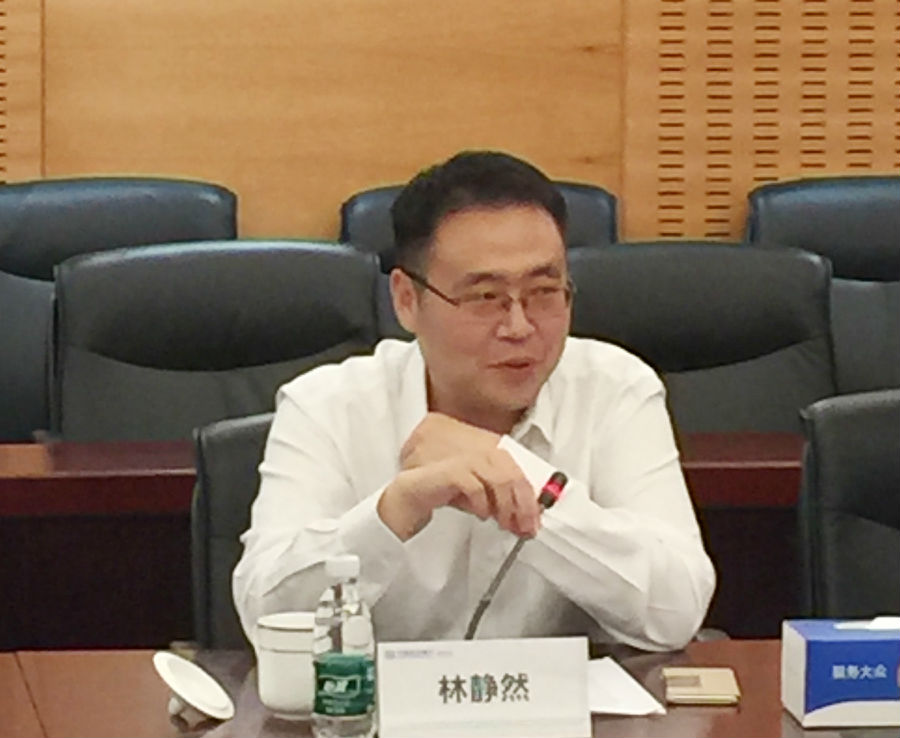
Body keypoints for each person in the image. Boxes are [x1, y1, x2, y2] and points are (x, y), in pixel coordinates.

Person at [233, 151, 716, 651]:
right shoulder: (326, 407)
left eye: (544, 291)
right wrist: (392, 512)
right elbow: (267, 615)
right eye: (485, 298)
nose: (519, 327)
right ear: (406, 300)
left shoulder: (613, 389)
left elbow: (677, 609)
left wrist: (518, 477)